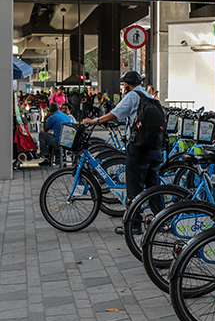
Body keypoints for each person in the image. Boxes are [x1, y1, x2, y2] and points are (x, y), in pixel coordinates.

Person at [83, 71, 161, 235]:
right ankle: (163, 221)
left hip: (138, 148)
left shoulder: (132, 96)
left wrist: (94, 121)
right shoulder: (147, 95)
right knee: (154, 187)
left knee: (134, 187)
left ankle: (134, 225)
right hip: (154, 147)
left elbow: (114, 114)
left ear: (127, 85)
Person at [38, 102, 72, 166]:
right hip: (67, 140)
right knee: (52, 136)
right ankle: (55, 158)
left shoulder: (52, 117)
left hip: (58, 141)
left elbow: (45, 129)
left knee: (42, 134)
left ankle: (45, 154)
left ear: (50, 111)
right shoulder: (65, 115)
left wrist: (45, 118)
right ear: (58, 108)